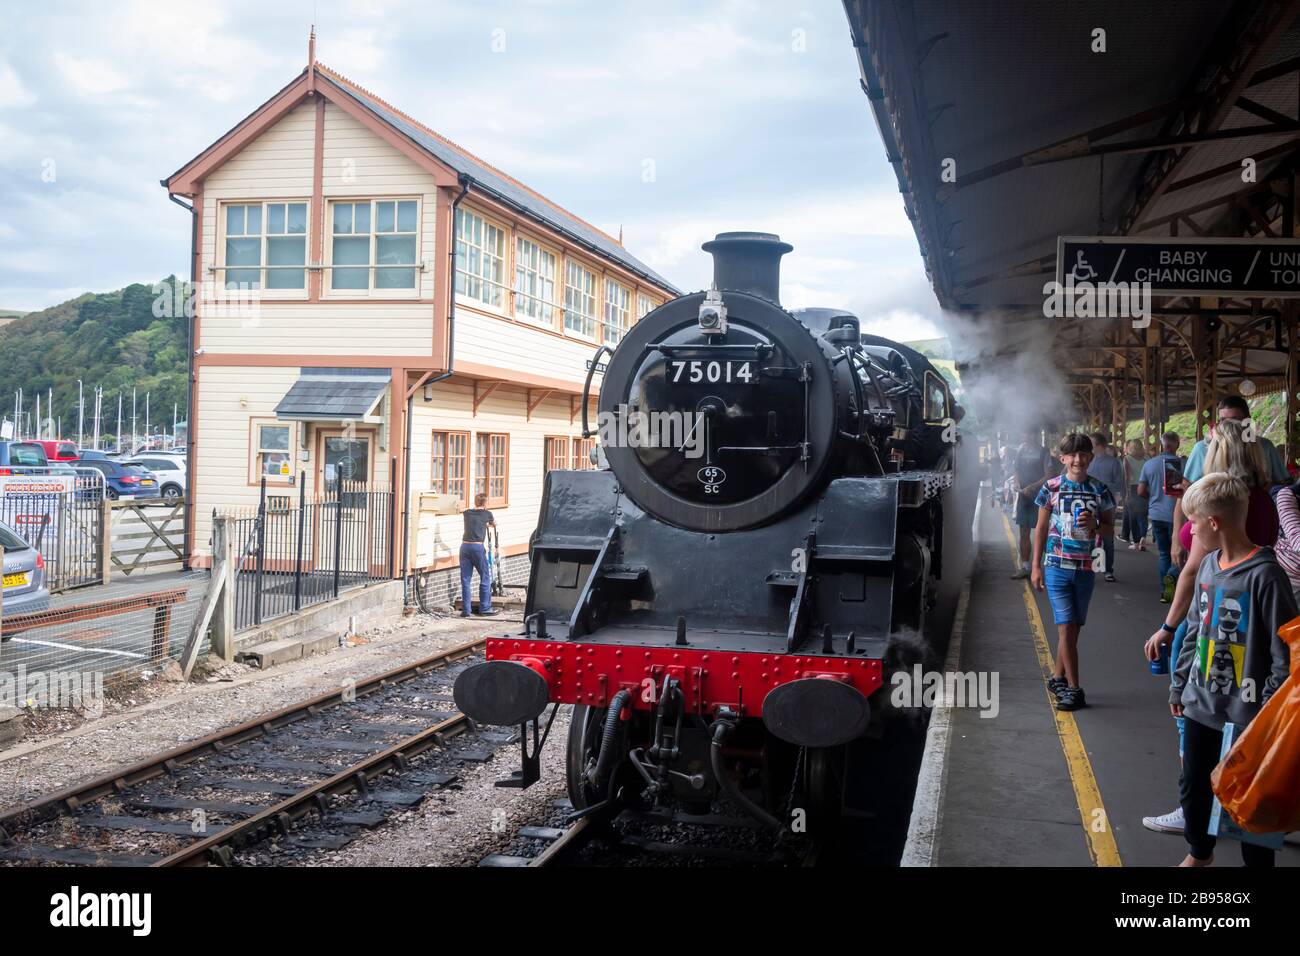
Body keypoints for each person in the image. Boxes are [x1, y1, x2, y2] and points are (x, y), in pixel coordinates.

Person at [1141, 420, 1277, 834]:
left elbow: (1191, 576)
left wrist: (1167, 625)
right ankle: (1213, 830)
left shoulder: (1219, 516)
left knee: (1214, 739)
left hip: (1231, 653)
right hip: (1231, 660)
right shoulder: (1263, 500)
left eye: (1211, 443)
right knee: (1228, 747)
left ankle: (1205, 815)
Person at [1165, 473, 1295, 866]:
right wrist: (1179, 687)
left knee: (1250, 803)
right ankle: (1199, 854)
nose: (1189, 529)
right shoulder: (1206, 566)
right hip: (1201, 705)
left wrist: (1267, 717)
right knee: (1194, 789)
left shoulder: (1266, 577)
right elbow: (1193, 630)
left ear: (1214, 523)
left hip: (1249, 717)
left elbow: (1286, 653)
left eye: (1194, 522)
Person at [1031, 433, 1116, 711]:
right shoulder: (1051, 488)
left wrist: (1094, 524)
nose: (1078, 460)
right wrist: (1035, 566)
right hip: (1056, 566)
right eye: (1072, 455)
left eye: (1083, 454)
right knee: (1066, 627)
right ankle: (1074, 689)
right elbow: (1041, 529)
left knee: (1073, 631)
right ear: (1063, 458)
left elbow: (1109, 529)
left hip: (1085, 568)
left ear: (1091, 457)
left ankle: (1057, 677)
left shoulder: (1100, 490)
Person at [1137, 432, 1182, 599]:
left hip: (1156, 514)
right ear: (1176, 444)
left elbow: (1140, 491)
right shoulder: (1183, 463)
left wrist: (1154, 498)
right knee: (1180, 553)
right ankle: (1174, 577)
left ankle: (1165, 590)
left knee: (1164, 553)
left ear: (1162, 444)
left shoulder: (1149, 464)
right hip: (1179, 516)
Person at [1011, 428, 1058, 580]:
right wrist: (1017, 483)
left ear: (1034, 434)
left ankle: (1051, 565)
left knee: (1043, 531)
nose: (1025, 435)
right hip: (1024, 496)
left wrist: (1033, 486)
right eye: (1024, 432)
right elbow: (1016, 470)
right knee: (1023, 532)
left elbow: (1049, 475)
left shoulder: (1044, 452)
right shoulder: (1020, 451)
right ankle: (1025, 566)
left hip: (1040, 496)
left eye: (1028, 432)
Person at [1087, 432, 1124, 582]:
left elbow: (1119, 483)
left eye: (1091, 443)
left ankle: (1108, 570)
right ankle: (1095, 566)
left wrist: (1105, 490)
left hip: (1107, 504)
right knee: (1089, 536)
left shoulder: (1114, 463)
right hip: (1088, 503)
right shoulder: (1087, 460)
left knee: (1107, 537)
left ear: (1099, 445)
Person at [459, 493, 500, 618]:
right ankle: (485, 608)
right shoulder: (487, 514)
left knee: (465, 579)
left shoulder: (466, 513)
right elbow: (493, 524)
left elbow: (475, 523)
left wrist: (484, 525)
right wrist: (491, 524)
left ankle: (466, 611)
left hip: (464, 547)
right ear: (485, 503)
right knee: (485, 576)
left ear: (475, 502)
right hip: (477, 547)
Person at [1122, 439, 1148, 550]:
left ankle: (1136, 542)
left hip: (1133, 489)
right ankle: (1143, 537)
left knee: (1133, 516)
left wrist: (1127, 493)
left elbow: (1127, 477)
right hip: (1145, 487)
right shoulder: (1146, 458)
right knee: (1143, 515)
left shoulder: (1127, 459)